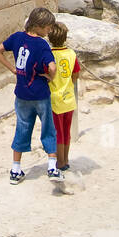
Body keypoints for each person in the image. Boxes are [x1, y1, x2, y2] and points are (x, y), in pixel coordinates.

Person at [0, 6, 61, 182]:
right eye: (47, 28)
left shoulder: (17, 37)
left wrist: (13, 70)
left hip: (22, 94)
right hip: (40, 93)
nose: (49, 31)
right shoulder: (42, 44)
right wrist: (50, 77)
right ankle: (52, 167)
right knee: (48, 129)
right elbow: (52, 67)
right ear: (39, 26)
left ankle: (15, 170)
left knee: (22, 128)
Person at [47, 20, 80, 170]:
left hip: (55, 99)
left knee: (58, 133)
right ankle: (66, 159)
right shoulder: (72, 54)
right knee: (66, 131)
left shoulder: (50, 55)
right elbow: (76, 74)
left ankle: (59, 161)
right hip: (69, 97)